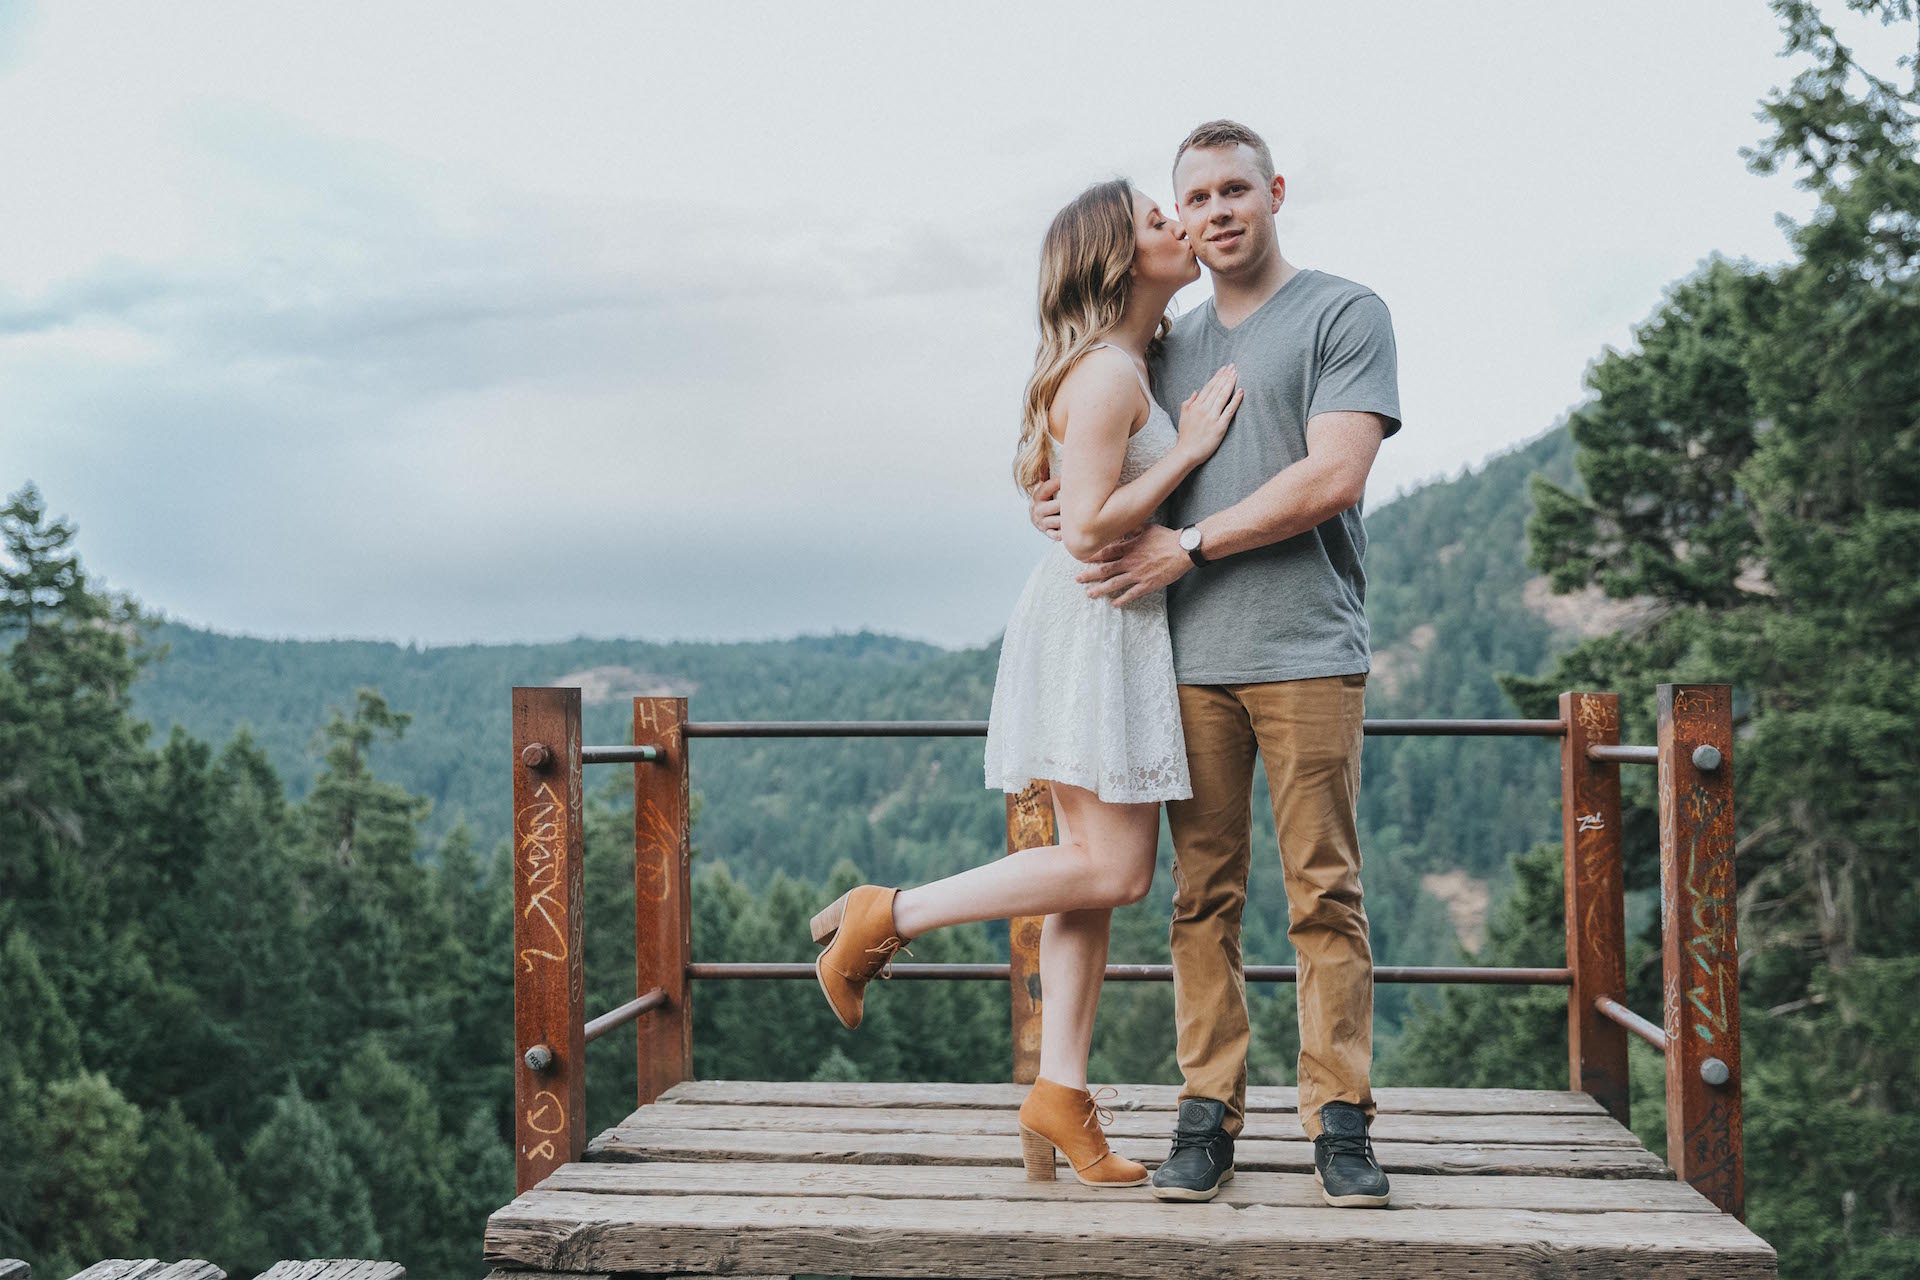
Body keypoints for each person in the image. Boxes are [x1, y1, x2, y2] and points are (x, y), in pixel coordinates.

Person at [808, 176, 1242, 1189]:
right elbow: (1090, 524)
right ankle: (887, 913)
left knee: (1089, 875)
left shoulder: (1128, 359)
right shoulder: (1105, 374)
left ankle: (1060, 1092)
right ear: (1116, 257)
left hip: (1107, 623)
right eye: (1154, 219)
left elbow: (1069, 504)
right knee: (1116, 872)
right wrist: (1187, 450)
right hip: (1096, 622)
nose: (1178, 225)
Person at [1030, 120, 1400, 1208]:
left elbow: (1333, 474)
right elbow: (1093, 445)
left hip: (1307, 649)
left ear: (1275, 190)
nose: (1217, 211)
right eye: (1196, 199)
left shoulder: (1343, 312)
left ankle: (1341, 1119)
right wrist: (1052, 501)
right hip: (1181, 660)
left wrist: (1188, 542)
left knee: (1325, 891)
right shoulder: (1164, 343)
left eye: (1237, 189)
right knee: (1203, 897)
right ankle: (1207, 1114)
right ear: (1181, 217)